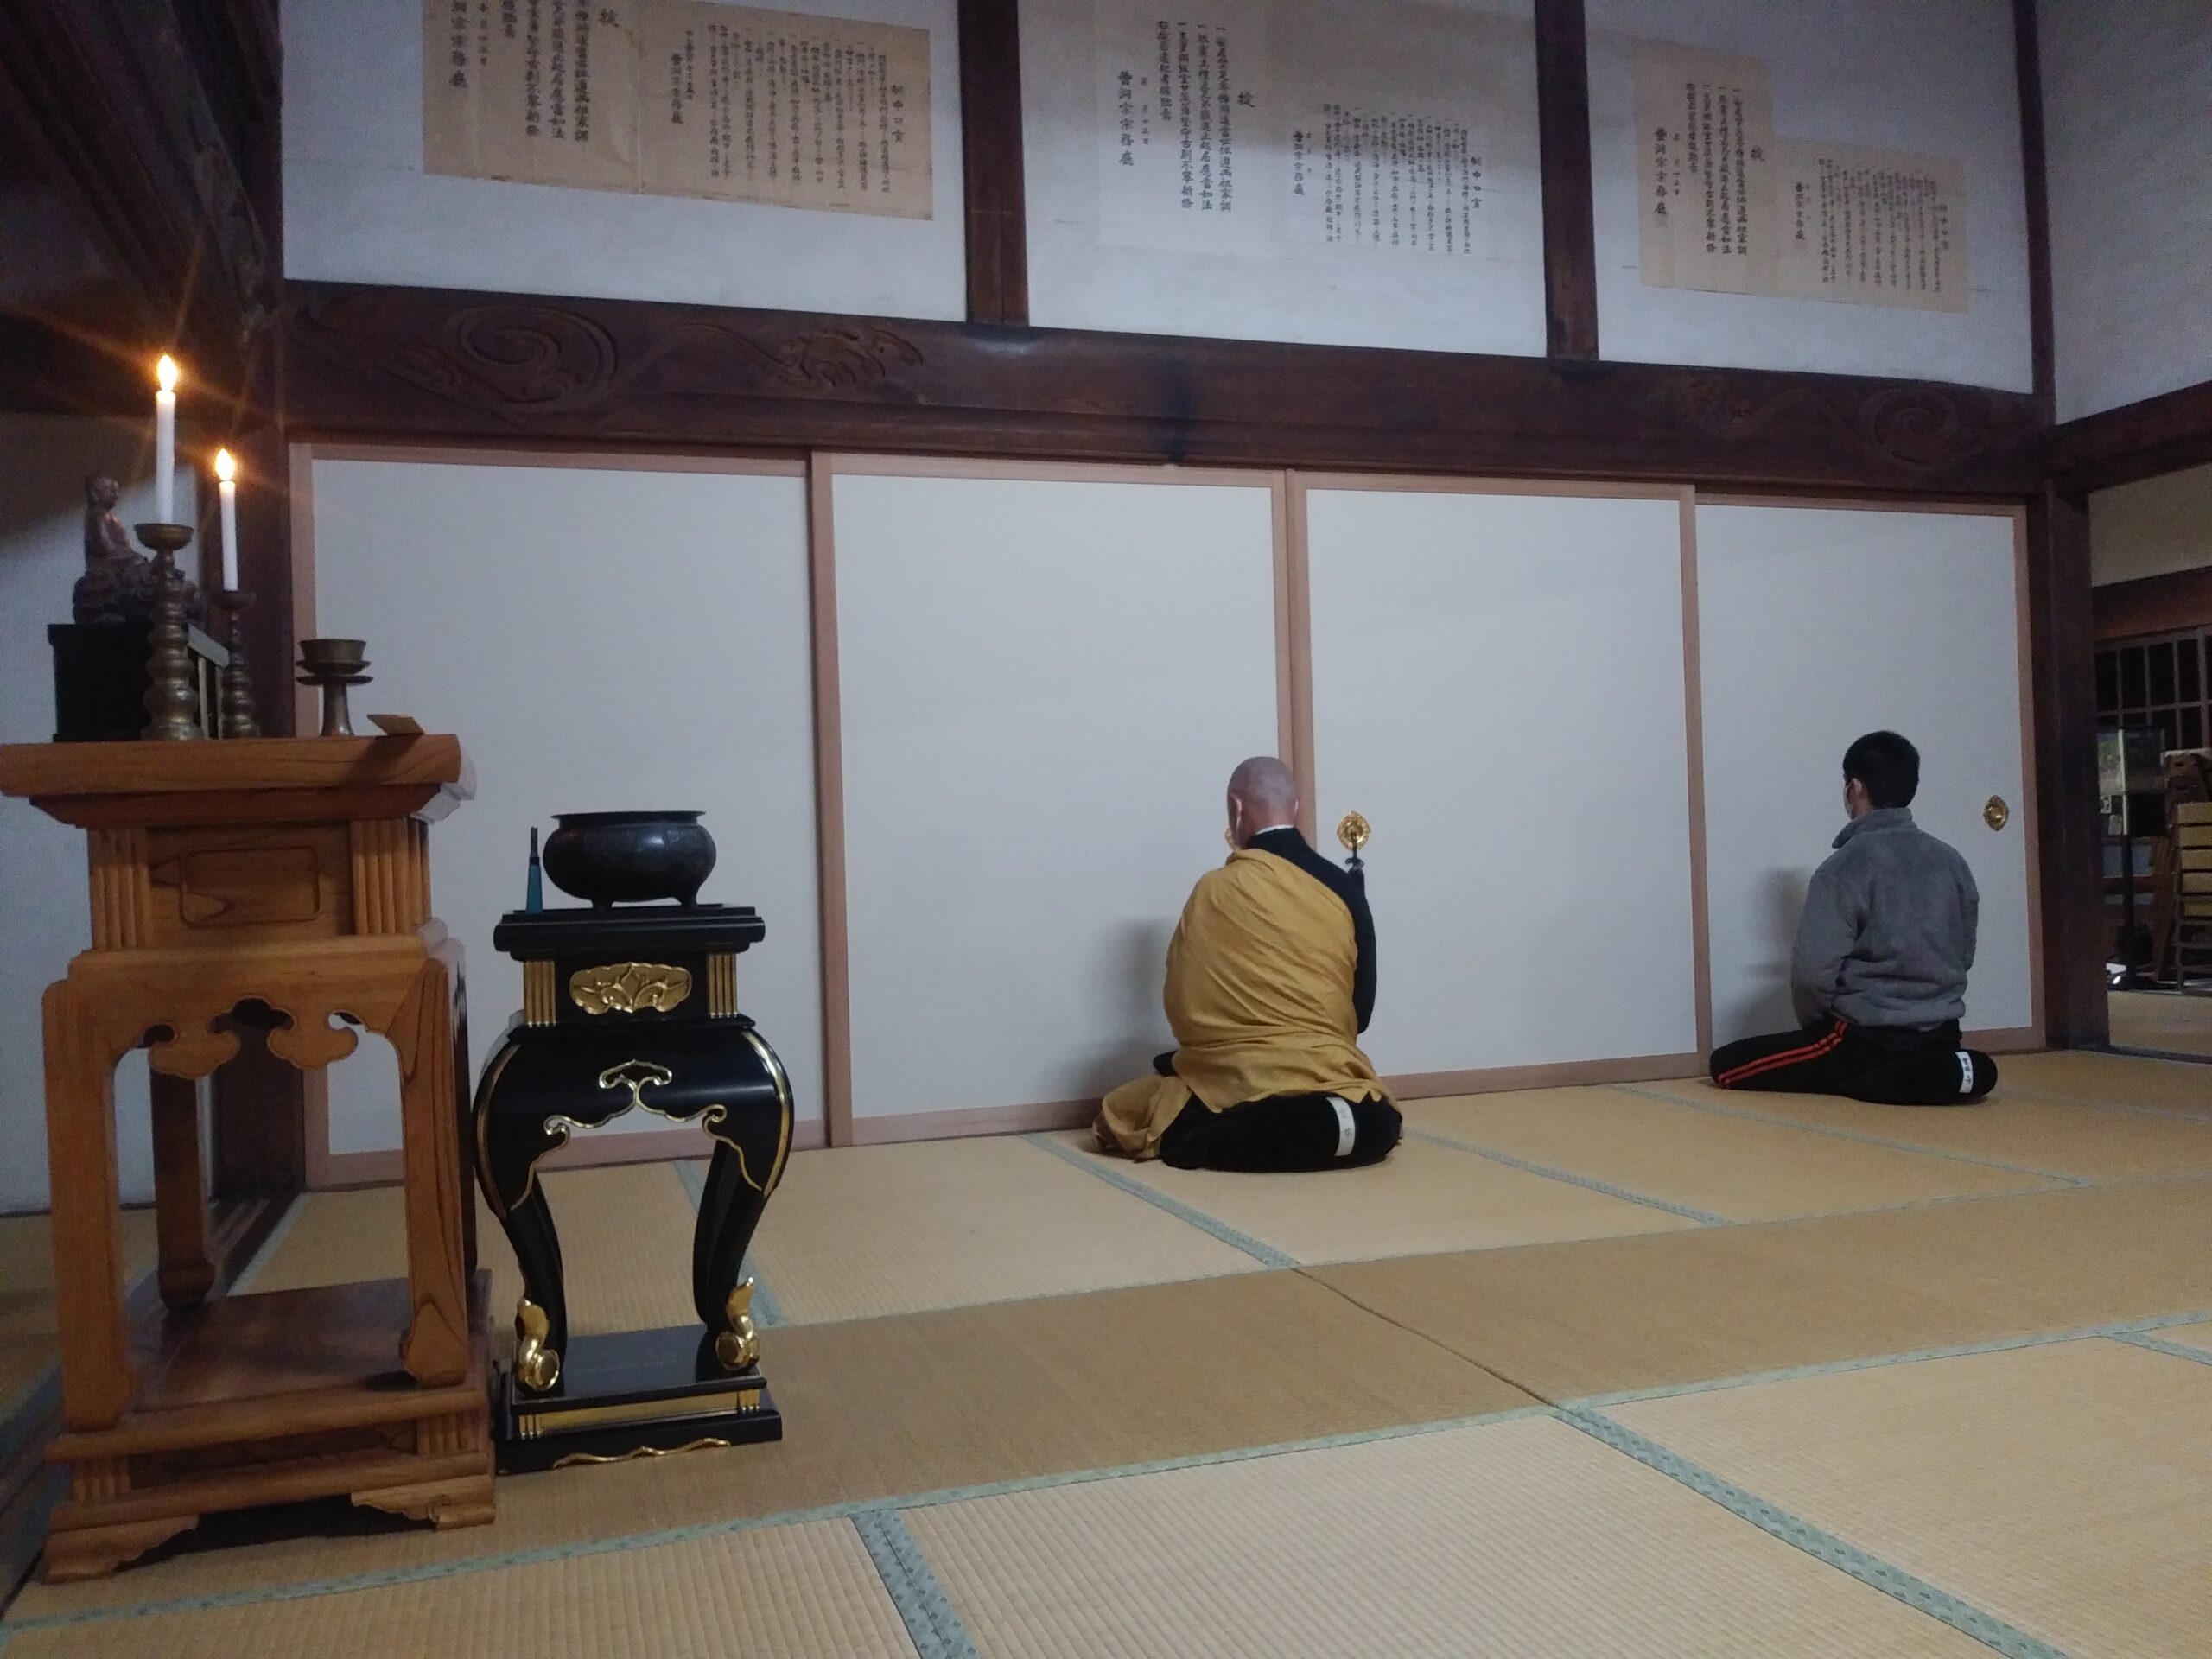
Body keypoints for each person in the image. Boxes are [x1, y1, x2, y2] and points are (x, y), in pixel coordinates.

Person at [1095, 757, 1401, 1170]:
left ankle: (1262, 1130)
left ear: (1236, 810)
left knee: (1131, 1108)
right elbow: (1361, 1010)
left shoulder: (1213, 890)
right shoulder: (1341, 886)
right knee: (1373, 1116)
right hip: (1330, 1071)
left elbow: (1184, 1005)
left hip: (1237, 1077)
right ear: (1295, 809)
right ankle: (1336, 1126)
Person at [1709, 731, 1998, 1105]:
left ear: (1855, 788)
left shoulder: (1844, 867)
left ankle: (1872, 1078)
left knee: (1726, 1065)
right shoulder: (1951, 862)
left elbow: (1811, 975)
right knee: (1959, 1067)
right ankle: (1924, 1074)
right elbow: (1964, 953)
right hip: (1941, 1033)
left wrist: (1820, 1027)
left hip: (1864, 1038)